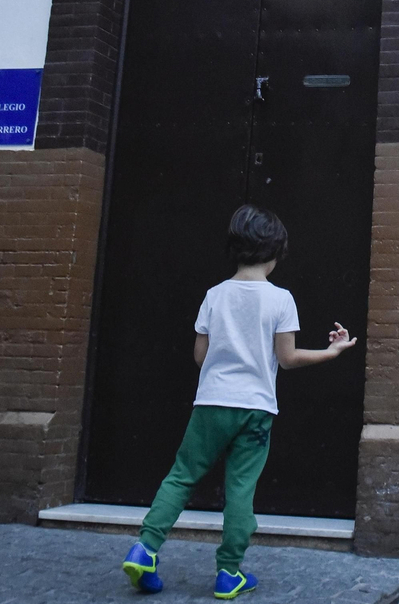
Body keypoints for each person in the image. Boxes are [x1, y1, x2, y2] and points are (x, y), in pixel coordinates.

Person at [119, 204, 356, 599]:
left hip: (211, 403)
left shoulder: (214, 295)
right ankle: (229, 572)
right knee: (241, 489)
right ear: (275, 252)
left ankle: (144, 549)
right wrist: (330, 353)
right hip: (256, 409)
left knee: (181, 476)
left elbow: (200, 356)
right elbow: (287, 358)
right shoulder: (281, 299)